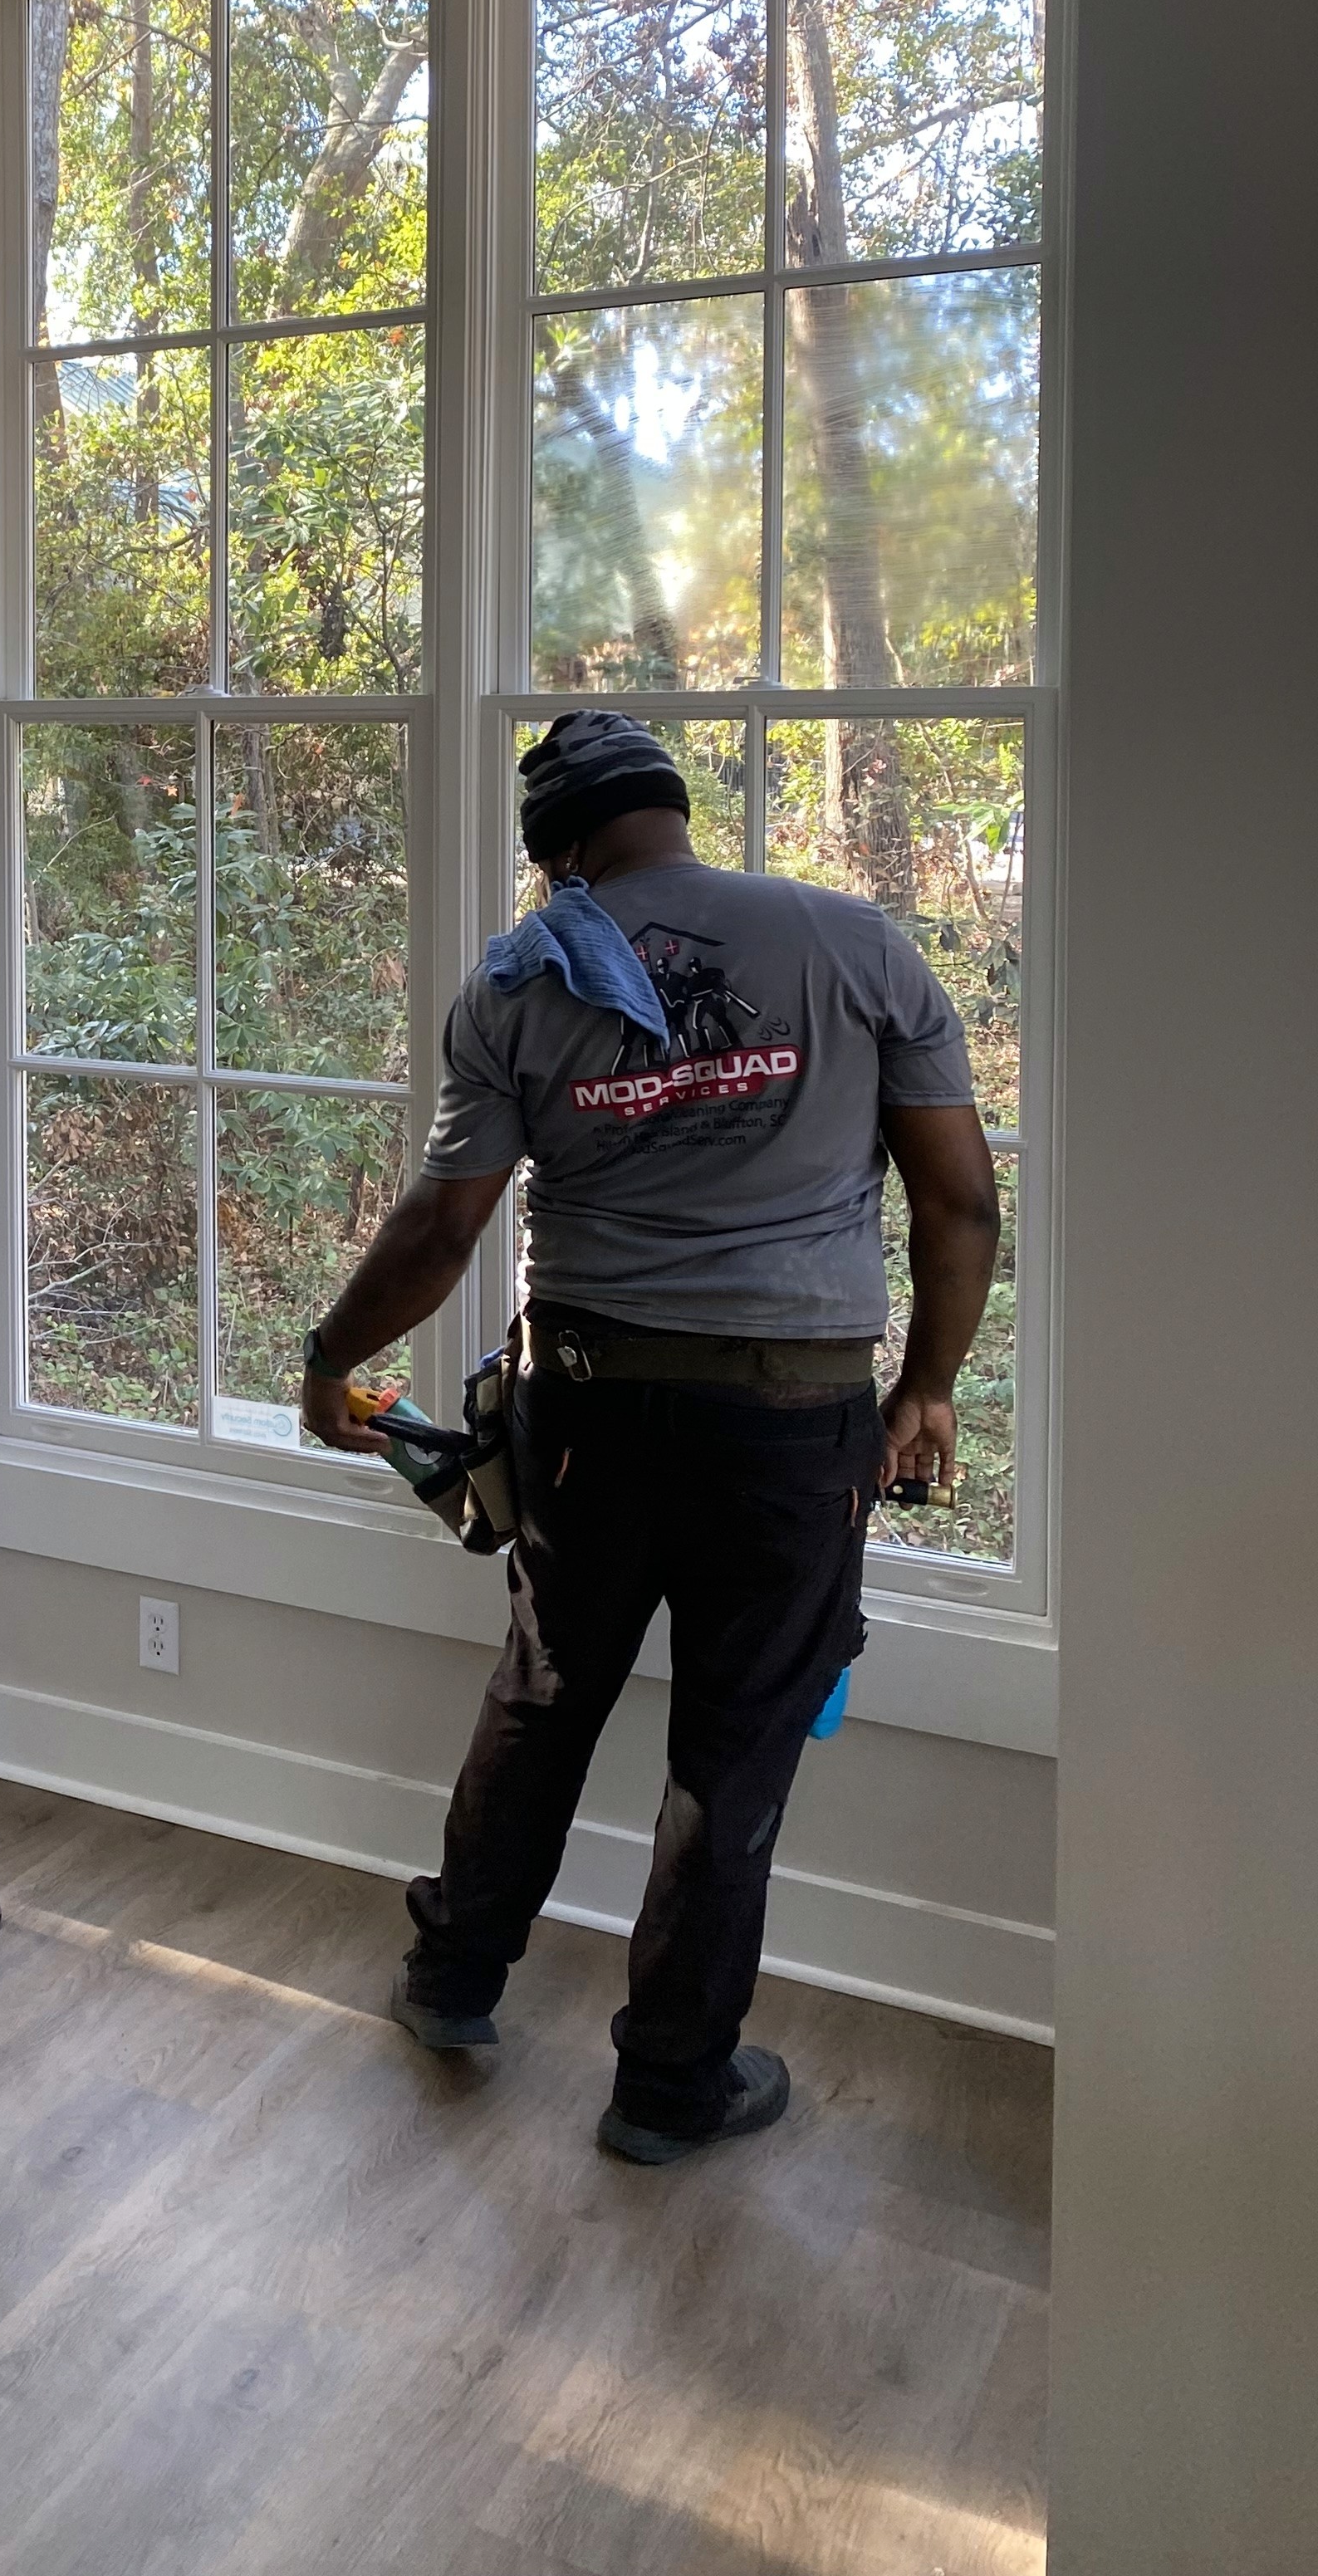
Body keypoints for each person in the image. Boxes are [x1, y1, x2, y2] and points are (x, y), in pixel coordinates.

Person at [299, 708, 999, 2165]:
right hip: (792, 1418)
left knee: (544, 1694)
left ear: (554, 849)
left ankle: (451, 1981)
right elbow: (958, 1203)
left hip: (590, 1410)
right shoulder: (854, 945)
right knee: (732, 1753)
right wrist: (926, 1386)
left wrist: (329, 1358)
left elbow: (444, 1224)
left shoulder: (516, 981)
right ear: (673, 809)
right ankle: (670, 2086)